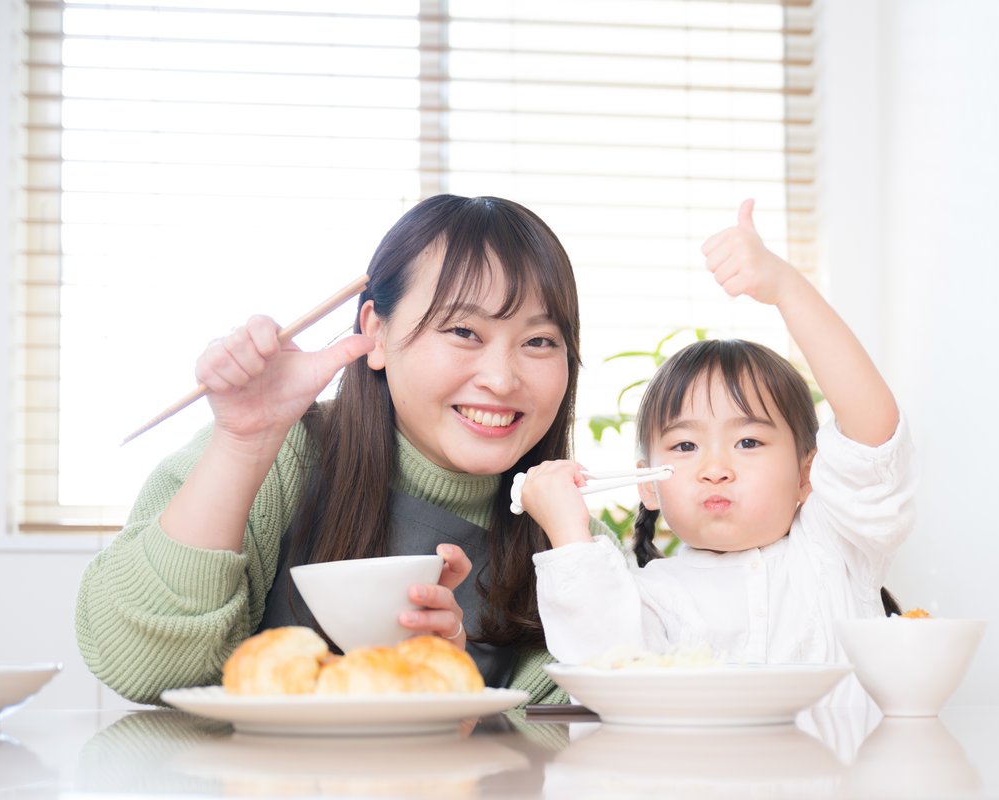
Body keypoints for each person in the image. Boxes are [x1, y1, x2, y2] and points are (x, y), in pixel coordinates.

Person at [76, 194, 610, 706]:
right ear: (376, 331)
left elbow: (580, 722)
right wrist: (243, 443)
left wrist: (451, 682)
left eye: (539, 341)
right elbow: (142, 665)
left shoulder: (570, 538)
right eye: (464, 330)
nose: (500, 378)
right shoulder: (282, 454)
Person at [516, 200, 916, 701]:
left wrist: (786, 288)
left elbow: (873, 431)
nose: (714, 469)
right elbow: (607, 679)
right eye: (685, 445)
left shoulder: (835, 551)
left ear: (805, 475)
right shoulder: (649, 598)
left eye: (747, 441)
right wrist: (568, 533)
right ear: (648, 485)